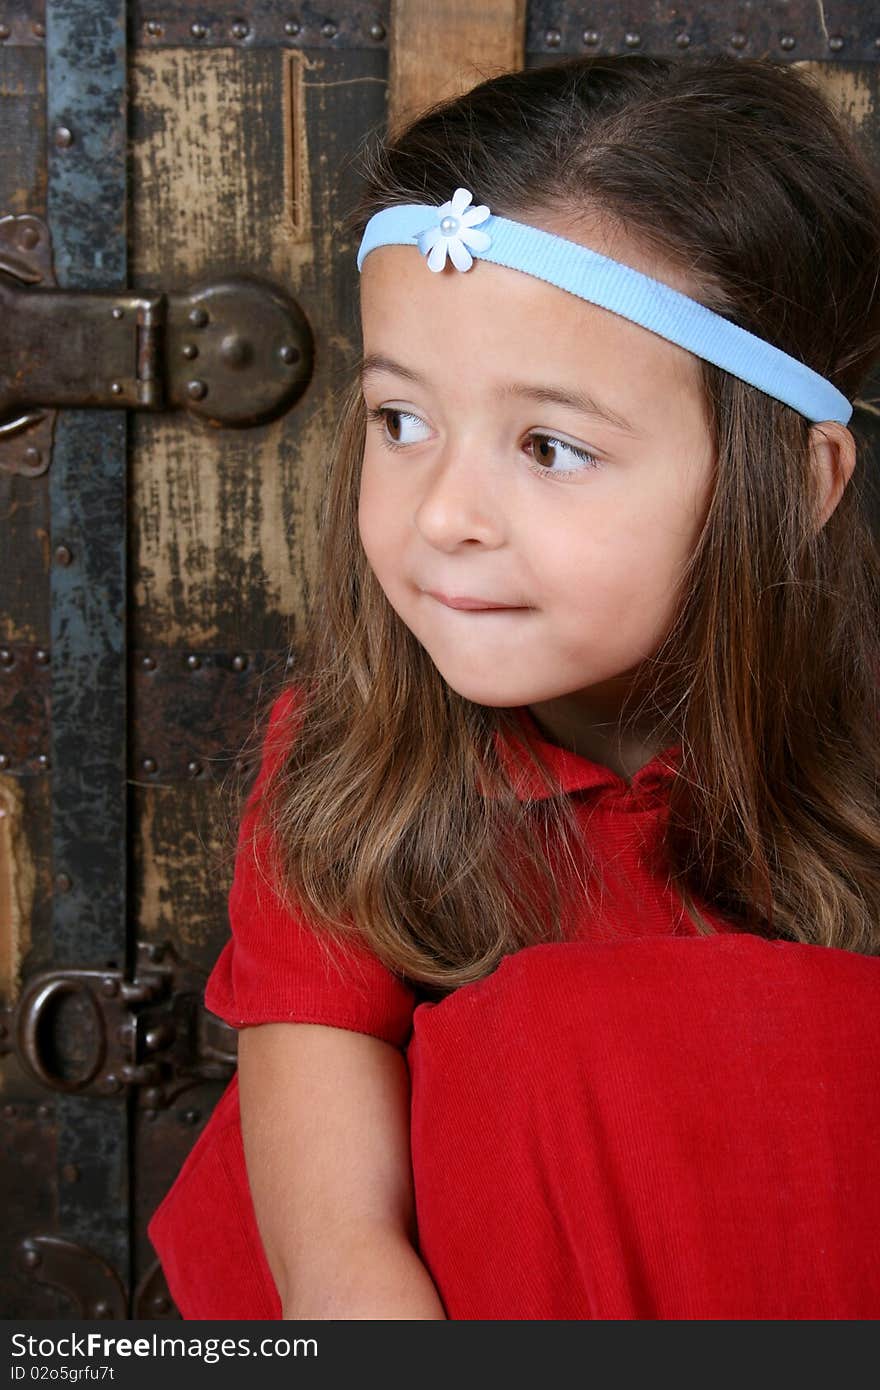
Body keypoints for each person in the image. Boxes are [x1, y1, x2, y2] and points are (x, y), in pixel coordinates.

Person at [148, 53, 880, 1320]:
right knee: (551, 1032)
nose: (443, 516)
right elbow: (339, 1255)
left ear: (802, 484)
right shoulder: (348, 766)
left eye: (551, 446)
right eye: (400, 422)